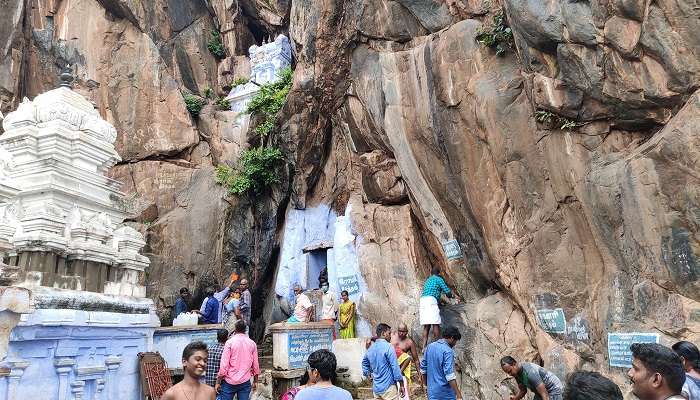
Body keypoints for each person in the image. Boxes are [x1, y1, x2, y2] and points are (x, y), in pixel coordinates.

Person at [216, 320, 260, 400]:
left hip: (229, 381)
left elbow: (224, 365)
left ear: (235, 329)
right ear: (246, 329)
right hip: (245, 381)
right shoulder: (252, 343)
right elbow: (255, 365)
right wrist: (256, 381)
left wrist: (218, 381)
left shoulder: (229, 343)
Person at [362, 323, 406, 399]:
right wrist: (401, 384)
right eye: (389, 333)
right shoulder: (389, 347)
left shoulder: (371, 349)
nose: (390, 336)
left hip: (376, 389)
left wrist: (367, 374)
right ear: (383, 333)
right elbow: (395, 368)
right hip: (389, 389)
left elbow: (364, 363)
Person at [420, 326, 462, 400]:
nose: (455, 344)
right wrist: (458, 395)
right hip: (445, 393)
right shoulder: (448, 351)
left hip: (432, 392)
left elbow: (423, 369)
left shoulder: (430, 347)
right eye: (455, 341)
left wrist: (427, 385)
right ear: (452, 337)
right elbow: (449, 375)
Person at [420, 267, 458, 348]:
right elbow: (447, 291)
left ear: (431, 273)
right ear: (439, 273)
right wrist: (453, 296)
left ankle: (424, 347)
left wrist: (439, 302)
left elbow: (431, 292)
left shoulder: (428, 280)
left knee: (426, 326)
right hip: (431, 300)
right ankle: (438, 345)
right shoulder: (438, 279)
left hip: (423, 301)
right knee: (435, 324)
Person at [396, 323, 422, 390]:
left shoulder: (409, 342)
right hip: (390, 367)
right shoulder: (392, 337)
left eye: (403, 331)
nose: (401, 333)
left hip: (401, 369)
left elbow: (416, 360)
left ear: (407, 332)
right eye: (399, 331)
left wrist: (419, 374)